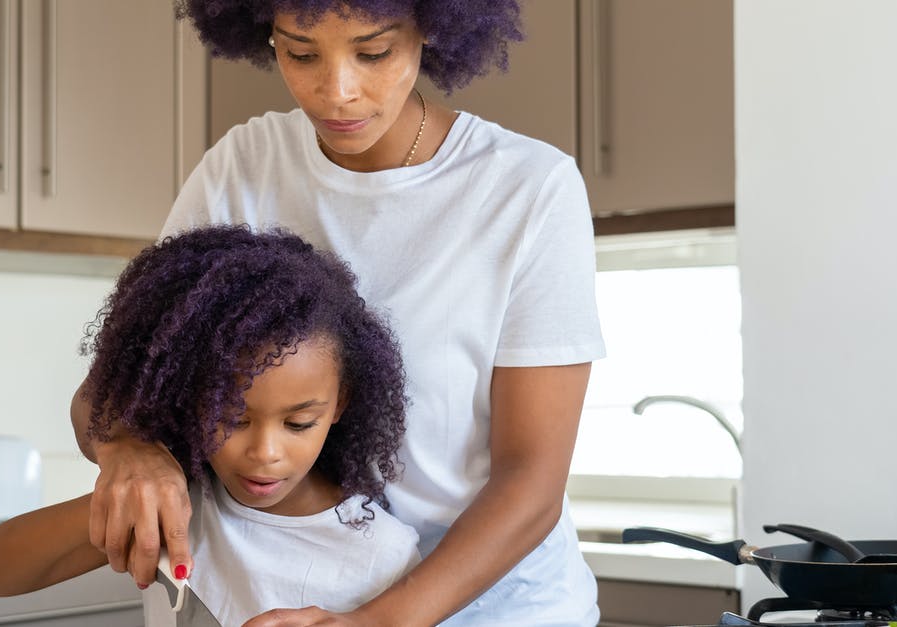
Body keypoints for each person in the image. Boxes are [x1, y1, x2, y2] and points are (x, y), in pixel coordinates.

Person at [72, 1, 606, 624]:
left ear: (433, 27)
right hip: (300, 600)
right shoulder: (244, 166)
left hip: (500, 611)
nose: (336, 91)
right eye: (299, 53)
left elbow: (531, 481)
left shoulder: (527, 187)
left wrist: (376, 623)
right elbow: (112, 389)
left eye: (373, 52)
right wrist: (131, 449)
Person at [0, 225, 421, 625]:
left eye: (299, 423)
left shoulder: (383, 554)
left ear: (339, 405)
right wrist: (126, 499)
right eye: (231, 418)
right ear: (187, 401)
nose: (265, 452)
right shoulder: (180, 508)